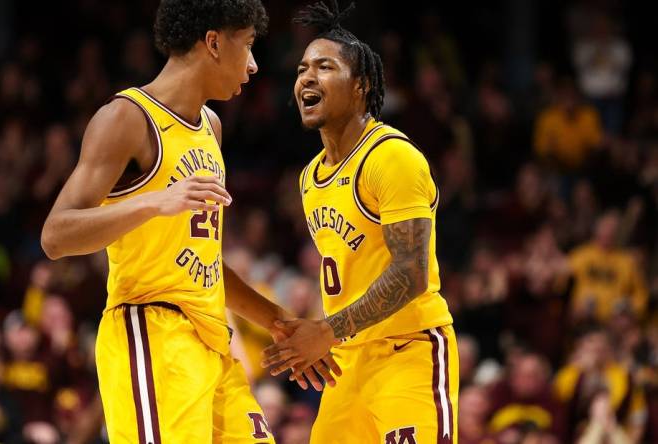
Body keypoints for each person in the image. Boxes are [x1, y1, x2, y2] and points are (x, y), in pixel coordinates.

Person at [41, 1, 337, 442]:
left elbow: (207, 263)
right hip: (152, 332)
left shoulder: (210, 128)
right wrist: (154, 202)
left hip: (212, 339)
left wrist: (280, 322)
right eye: (249, 46)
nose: (255, 65)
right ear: (214, 43)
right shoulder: (126, 117)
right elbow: (55, 235)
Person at [262, 1, 458, 443]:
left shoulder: (392, 157)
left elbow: (410, 273)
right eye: (300, 69)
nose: (306, 78)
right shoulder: (310, 178)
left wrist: (325, 332)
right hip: (347, 363)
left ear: (361, 86)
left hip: (407, 350)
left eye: (324, 67)